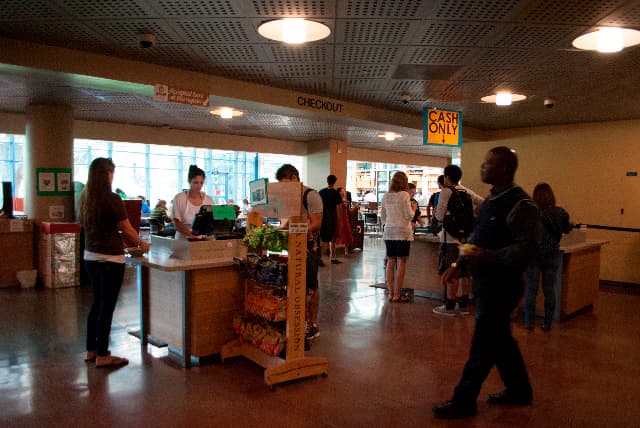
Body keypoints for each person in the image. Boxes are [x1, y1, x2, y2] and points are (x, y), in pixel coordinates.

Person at [433, 146, 538, 419]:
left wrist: (488, 256)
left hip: (503, 286)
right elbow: (476, 240)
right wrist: (459, 264)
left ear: (504, 169)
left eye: (488, 163)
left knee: (483, 344)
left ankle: (464, 400)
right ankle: (519, 389)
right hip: (485, 284)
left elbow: (526, 249)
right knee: (501, 340)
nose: (482, 166)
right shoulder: (490, 201)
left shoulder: (520, 205)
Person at [79, 157, 150, 368]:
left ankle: (91, 350)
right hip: (110, 259)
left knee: (96, 304)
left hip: (90, 257)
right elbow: (126, 228)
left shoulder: (84, 198)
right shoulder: (112, 199)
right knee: (107, 307)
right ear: (107, 174)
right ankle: (103, 355)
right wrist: (142, 243)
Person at [275, 164, 323, 342]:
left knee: (311, 286)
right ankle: (298, 322)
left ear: (295, 179)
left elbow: (316, 223)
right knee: (296, 285)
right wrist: (280, 231)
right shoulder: (290, 198)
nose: (284, 189)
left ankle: (312, 324)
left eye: (286, 184)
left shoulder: (311, 196)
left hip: (310, 248)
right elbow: (290, 220)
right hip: (294, 247)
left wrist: (297, 230)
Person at [433, 165, 484, 316]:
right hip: (466, 238)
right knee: (465, 271)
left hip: (450, 239)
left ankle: (449, 306)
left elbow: (439, 216)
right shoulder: (465, 191)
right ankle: (463, 305)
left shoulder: (446, 191)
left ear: (447, 177)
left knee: (452, 270)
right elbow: (483, 202)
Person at [524, 182, 572, 331]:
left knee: (531, 290)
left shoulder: (531, 212)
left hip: (534, 255)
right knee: (549, 290)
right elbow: (567, 229)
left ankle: (529, 322)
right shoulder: (560, 213)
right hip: (551, 254)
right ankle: (547, 323)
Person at [380, 171, 414, 303]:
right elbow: (408, 215)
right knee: (401, 262)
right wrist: (414, 209)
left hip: (389, 231)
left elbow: (383, 217)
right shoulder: (404, 195)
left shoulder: (386, 196)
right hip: (403, 232)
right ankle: (397, 294)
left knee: (390, 262)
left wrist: (390, 222)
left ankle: (390, 293)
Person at [171, 165, 214, 240]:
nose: (199, 186)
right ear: (189, 181)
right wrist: (192, 235)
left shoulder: (209, 200)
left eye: (201, 183)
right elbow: (177, 223)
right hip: (183, 240)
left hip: (203, 239)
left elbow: (213, 221)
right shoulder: (179, 198)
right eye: (196, 183)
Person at [319, 175, 343, 264]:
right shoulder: (336, 193)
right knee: (333, 238)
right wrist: (340, 221)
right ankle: (332, 257)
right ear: (335, 182)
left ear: (327, 181)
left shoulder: (321, 192)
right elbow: (339, 208)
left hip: (322, 218)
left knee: (322, 238)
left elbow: (318, 206)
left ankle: (320, 258)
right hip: (332, 218)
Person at [336, 187, 354, 254]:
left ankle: (346, 250)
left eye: (344, 191)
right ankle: (335, 250)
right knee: (338, 233)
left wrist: (355, 207)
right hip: (339, 218)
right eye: (341, 191)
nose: (343, 192)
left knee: (347, 232)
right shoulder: (337, 201)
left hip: (345, 218)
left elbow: (349, 211)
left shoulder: (346, 201)